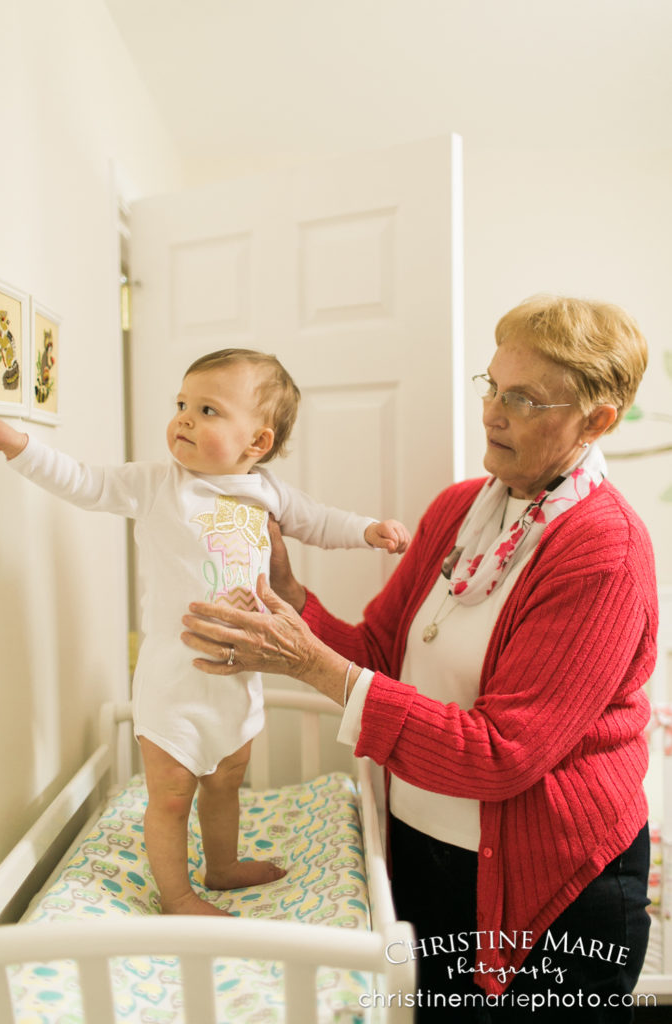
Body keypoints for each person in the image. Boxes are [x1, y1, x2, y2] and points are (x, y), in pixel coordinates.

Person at [180, 298, 657, 1021]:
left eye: (522, 399)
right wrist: (286, 591)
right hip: (422, 846)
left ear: (596, 420)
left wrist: (309, 665)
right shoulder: (463, 508)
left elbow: (503, 755)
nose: (493, 413)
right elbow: (378, 653)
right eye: (490, 386)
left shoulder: (602, 551)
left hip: (549, 884)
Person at [0, 347, 410, 919]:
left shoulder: (267, 492)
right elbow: (84, 482)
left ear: (257, 443)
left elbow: (321, 520)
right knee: (169, 795)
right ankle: (178, 894)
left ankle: (222, 866)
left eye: (208, 410)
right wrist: (20, 446)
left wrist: (369, 531)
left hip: (241, 674)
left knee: (227, 780)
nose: (184, 417)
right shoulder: (159, 484)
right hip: (174, 679)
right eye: (182, 404)